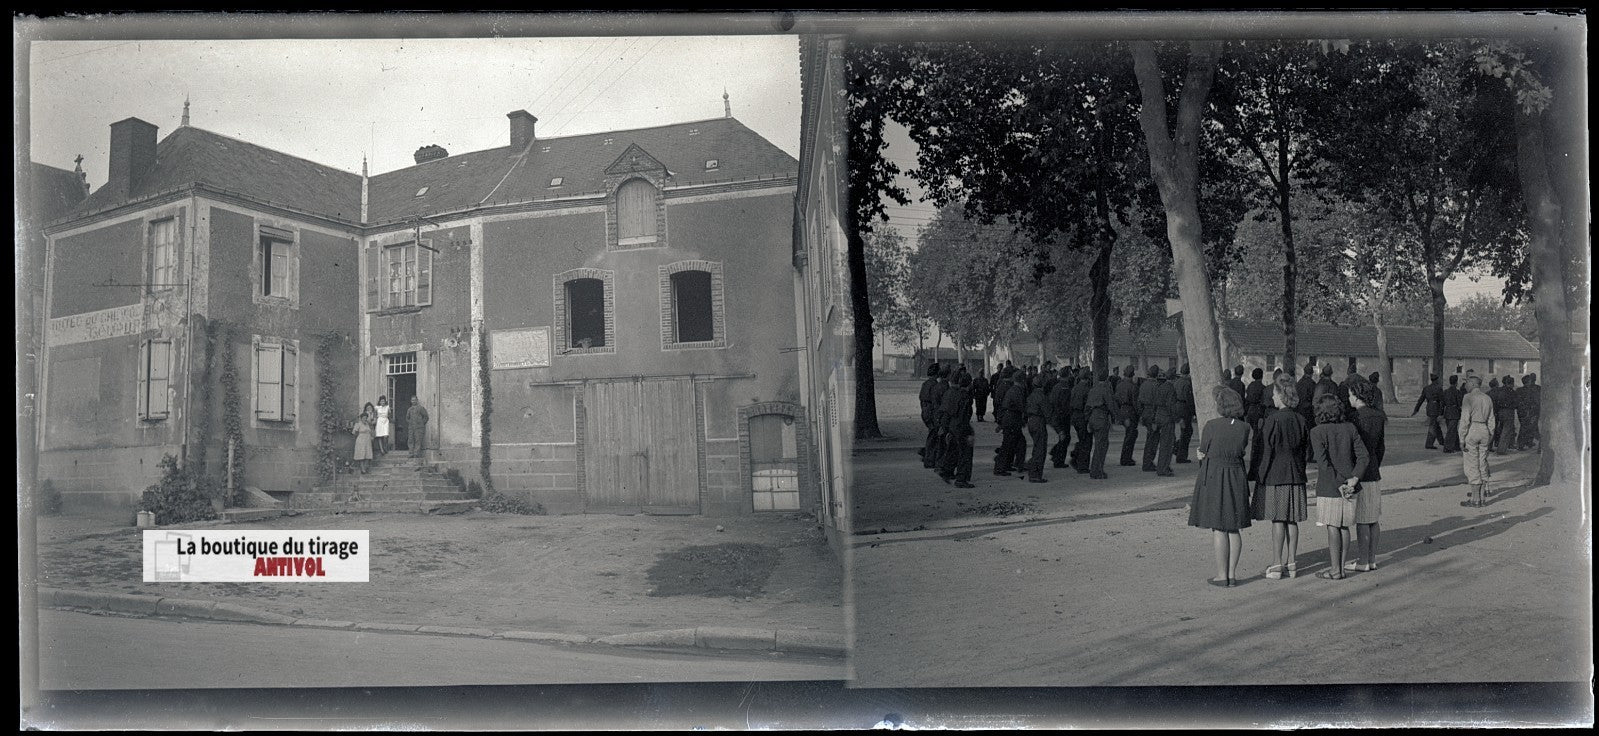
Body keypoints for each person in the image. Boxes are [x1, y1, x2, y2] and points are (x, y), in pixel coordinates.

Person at [1187, 385, 1252, 587]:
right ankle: (1232, 574)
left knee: (1218, 527)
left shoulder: (1211, 425)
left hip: (1215, 474)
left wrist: (1201, 455)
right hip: (1236, 475)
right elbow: (1241, 450)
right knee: (1234, 527)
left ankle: (1221, 574)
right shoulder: (1245, 427)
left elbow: (1204, 449)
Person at [1308, 394, 1369, 580]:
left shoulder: (1317, 432)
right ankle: (1341, 568)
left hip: (1329, 486)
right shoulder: (1350, 428)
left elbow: (1324, 464)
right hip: (1351, 485)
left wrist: (1338, 484)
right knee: (1344, 527)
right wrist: (1353, 480)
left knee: (1332, 526)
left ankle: (1335, 569)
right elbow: (1363, 457)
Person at [1253, 378, 1309, 580]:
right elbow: (1304, 451)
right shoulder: (1301, 420)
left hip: (1276, 474)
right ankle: (1292, 562)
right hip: (1296, 473)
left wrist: (1260, 475)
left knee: (1278, 520)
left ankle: (1277, 564)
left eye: (1275, 394)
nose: (1273, 397)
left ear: (1282, 396)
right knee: (1292, 520)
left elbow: (1266, 451)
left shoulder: (1273, 420)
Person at [1459, 374, 1495, 507]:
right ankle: (1483, 496)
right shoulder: (1487, 398)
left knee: (1471, 464)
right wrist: (1490, 433)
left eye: (1467, 382)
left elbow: (1464, 420)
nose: (1466, 385)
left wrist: (1461, 438)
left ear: (1473, 384)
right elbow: (1491, 418)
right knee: (1482, 461)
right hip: (1485, 429)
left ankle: (1475, 499)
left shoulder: (1468, 398)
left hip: (1473, 429)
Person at [938, 371, 974, 486]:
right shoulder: (965, 397)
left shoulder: (953, 393)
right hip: (961, 427)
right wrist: (968, 433)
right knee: (965, 453)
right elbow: (964, 416)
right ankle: (961, 479)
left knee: (953, 449)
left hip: (952, 426)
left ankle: (946, 471)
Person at [995, 372, 1029, 477]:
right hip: (1012, 420)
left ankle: (1011, 464)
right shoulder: (1017, 391)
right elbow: (1021, 406)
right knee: (1008, 444)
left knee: (1018, 443)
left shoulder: (1013, 389)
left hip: (1011, 419)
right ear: (1022, 381)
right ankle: (1000, 468)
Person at [1084, 370, 1114, 480]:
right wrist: (1119, 418)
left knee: (1097, 444)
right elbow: (1111, 406)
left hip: (1092, 417)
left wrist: (1088, 420)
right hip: (1101, 418)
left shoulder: (1093, 390)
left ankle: (1095, 469)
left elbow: (1087, 407)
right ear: (1106, 379)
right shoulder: (1106, 390)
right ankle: (1096, 471)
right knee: (1101, 446)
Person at [1148, 367, 1177, 477]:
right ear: (1173, 378)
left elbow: (1154, 403)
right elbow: (1171, 406)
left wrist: (1154, 418)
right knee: (1167, 444)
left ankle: (1162, 465)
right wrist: (1176, 418)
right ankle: (1163, 468)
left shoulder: (1160, 387)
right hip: (1167, 417)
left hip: (1158, 415)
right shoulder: (1171, 389)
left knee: (1159, 443)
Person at [1025, 373, 1052, 483]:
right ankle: (1035, 474)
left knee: (1036, 447)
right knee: (1040, 449)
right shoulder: (1042, 396)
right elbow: (1048, 413)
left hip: (1031, 421)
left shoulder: (1031, 395)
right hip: (1039, 421)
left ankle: (1032, 470)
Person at [1069, 368, 1094, 474]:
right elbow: (1088, 406)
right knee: (1087, 442)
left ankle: (1076, 457)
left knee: (1082, 438)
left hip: (1075, 415)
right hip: (1083, 416)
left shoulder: (1075, 388)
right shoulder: (1088, 389)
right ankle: (1082, 465)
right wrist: (1089, 420)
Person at [1138, 365, 1163, 472]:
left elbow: (1139, 401)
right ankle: (1148, 463)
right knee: (1153, 440)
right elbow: (1157, 403)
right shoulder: (1156, 386)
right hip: (1153, 414)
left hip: (1145, 413)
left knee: (1150, 438)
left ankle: (1146, 462)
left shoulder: (1143, 385)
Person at [1243, 367, 1266, 482]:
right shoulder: (1262, 388)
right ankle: (1254, 469)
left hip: (1250, 411)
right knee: (1257, 439)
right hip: (1258, 411)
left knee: (1254, 437)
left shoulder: (1250, 386)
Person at [1048, 368, 1074, 469]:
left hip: (1057, 414)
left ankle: (1055, 454)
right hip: (1063, 415)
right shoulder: (1065, 387)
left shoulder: (1056, 386)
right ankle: (1058, 459)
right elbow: (1066, 403)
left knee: (1064, 437)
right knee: (1065, 438)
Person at [1115, 365, 1140, 467]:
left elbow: (1116, 399)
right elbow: (1135, 403)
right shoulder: (1133, 387)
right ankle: (1126, 458)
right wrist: (1139, 414)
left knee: (1129, 435)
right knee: (1130, 436)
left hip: (1122, 410)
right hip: (1130, 412)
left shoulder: (1119, 385)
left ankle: (1125, 458)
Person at [918, 364, 942, 469]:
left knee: (932, 434)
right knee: (933, 436)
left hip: (925, 410)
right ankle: (928, 458)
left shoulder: (925, 384)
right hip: (931, 412)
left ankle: (927, 454)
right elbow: (935, 401)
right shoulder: (935, 385)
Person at [1412, 374, 1446, 449]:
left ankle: (1442, 441)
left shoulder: (1426, 388)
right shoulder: (1439, 388)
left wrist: (1416, 409)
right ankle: (1429, 444)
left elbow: (1421, 400)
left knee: (1436, 425)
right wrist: (1442, 412)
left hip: (1429, 408)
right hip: (1436, 408)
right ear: (1437, 380)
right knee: (1433, 426)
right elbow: (1442, 401)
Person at [1173, 363, 1196, 463]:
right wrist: (1194, 411)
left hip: (1177, 406)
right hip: (1185, 408)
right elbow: (1189, 399)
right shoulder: (1187, 383)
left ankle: (1177, 449)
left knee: (1185, 431)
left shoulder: (1177, 382)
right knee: (1186, 432)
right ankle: (1181, 455)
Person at [1489, 376, 1518, 453]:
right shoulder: (1512, 392)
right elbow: (1516, 403)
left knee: (1501, 429)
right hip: (1508, 412)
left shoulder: (1499, 391)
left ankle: (1498, 445)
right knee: (1506, 430)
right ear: (1511, 384)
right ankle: (1501, 449)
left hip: (1500, 412)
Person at [1517, 374, 1540, 450]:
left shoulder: (1519, 390)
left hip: (1521, 412)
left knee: (1524, 427)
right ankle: (1522, 444)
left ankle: (1522, 444)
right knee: (1530, 428)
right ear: (1529, 381)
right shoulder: (1531, 390)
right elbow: (1534, 402)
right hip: (1529, 412)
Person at [351, 403, 376, 474]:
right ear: (361, 418)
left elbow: (371, 431)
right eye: (363, 418)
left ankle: (365, 467)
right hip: (361, 440)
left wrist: (371, 436)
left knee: (367, 454)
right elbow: (354, 432)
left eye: (366, 417)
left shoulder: (368, 424)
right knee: (361, 454)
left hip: (367, 441)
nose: (365, 419)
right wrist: (358, 437)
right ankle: (362, 469)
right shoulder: (358, 424)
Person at [1441, 375, 1464, 452]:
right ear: (1456, 382)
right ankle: (1447, 448)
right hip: (1454, 413)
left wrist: (1441, 414)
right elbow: (1459, 403)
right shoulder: (1457, 392)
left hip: (1447, 412)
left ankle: (1456, 446)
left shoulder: (1445, 392)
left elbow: (1442, 404)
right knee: (1451, 431)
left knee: (1452, 429)